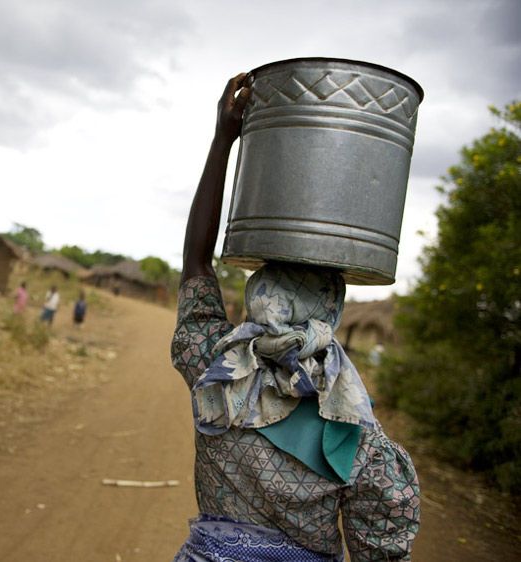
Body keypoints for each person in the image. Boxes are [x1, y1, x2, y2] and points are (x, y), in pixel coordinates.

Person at [170, 73, 419, 561]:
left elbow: (196, 264)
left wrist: (223, 139)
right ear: (332, 312)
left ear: (258, 294)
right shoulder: (360, 441)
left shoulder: (213, 369)